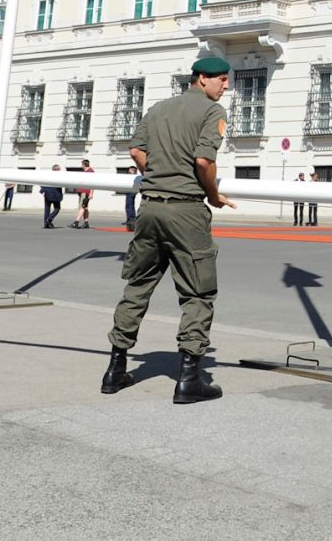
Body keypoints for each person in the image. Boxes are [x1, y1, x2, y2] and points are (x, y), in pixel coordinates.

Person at [102, 54, 234, 403]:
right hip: (186, 211)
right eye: (222, 79)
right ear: (202, 79)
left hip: (149, 209)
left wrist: (159, 173)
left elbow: (135, 149)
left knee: (138, 286)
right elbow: (204, 161)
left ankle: (115, 369)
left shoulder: (160, 108)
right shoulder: (212, 112)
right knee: (197, 292)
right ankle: (189, 377)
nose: (227, 85)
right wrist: (214, 196)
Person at [72, 158, 95, 229]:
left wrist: (91, 193)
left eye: (81, 164)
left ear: (84, 164)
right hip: (82, 192)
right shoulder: (86, 171)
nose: (81, 166)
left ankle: (76, 222)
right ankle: (86, 222)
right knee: (85, 207)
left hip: (85, 192)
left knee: (82, 207)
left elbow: (93, 183)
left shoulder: (90, 172)